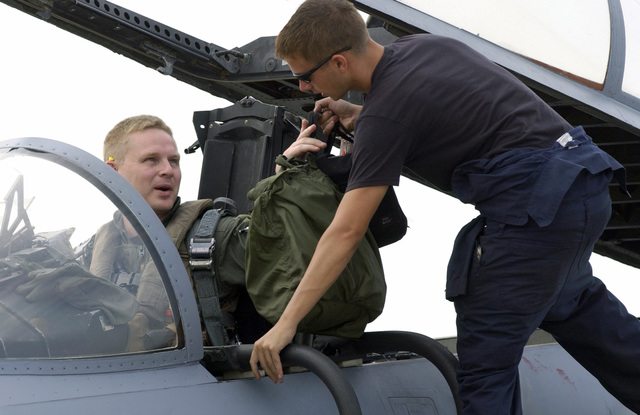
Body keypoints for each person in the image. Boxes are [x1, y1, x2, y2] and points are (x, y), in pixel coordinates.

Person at [248, 1, 640, 414]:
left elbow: (345, 232)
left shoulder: (387, 116)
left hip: (535, 213)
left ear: (340, 62)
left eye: (305, 77)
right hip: (583, 186)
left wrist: (284, 325)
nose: (304, 89)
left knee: (485, 370)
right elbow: (435, 111)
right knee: (583, 316)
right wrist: (361, 115)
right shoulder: (424, 48)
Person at [90, 115, 248, 350]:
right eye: (151, 160)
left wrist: (290, 172)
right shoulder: (91, 250)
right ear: (113, 172)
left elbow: (286, 248)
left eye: (173, 161)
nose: (168, 170)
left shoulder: (214, 237)